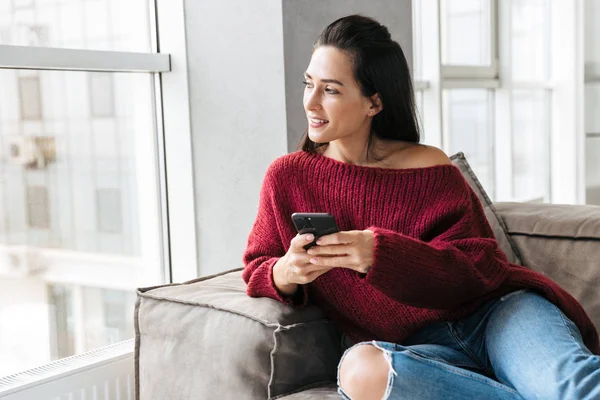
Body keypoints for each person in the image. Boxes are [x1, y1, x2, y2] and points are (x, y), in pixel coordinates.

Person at [242, 14, 600, 400]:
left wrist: (378, 255)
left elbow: (478, 267)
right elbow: (257, 267)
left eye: (330, 90)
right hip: (416, 348)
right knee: (360, 372)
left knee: (570, 388)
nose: (310, 102)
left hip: (498, 315)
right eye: (308, 84)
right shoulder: (288, 177)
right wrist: (287, 269)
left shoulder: (429, 166)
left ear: (374, 102)